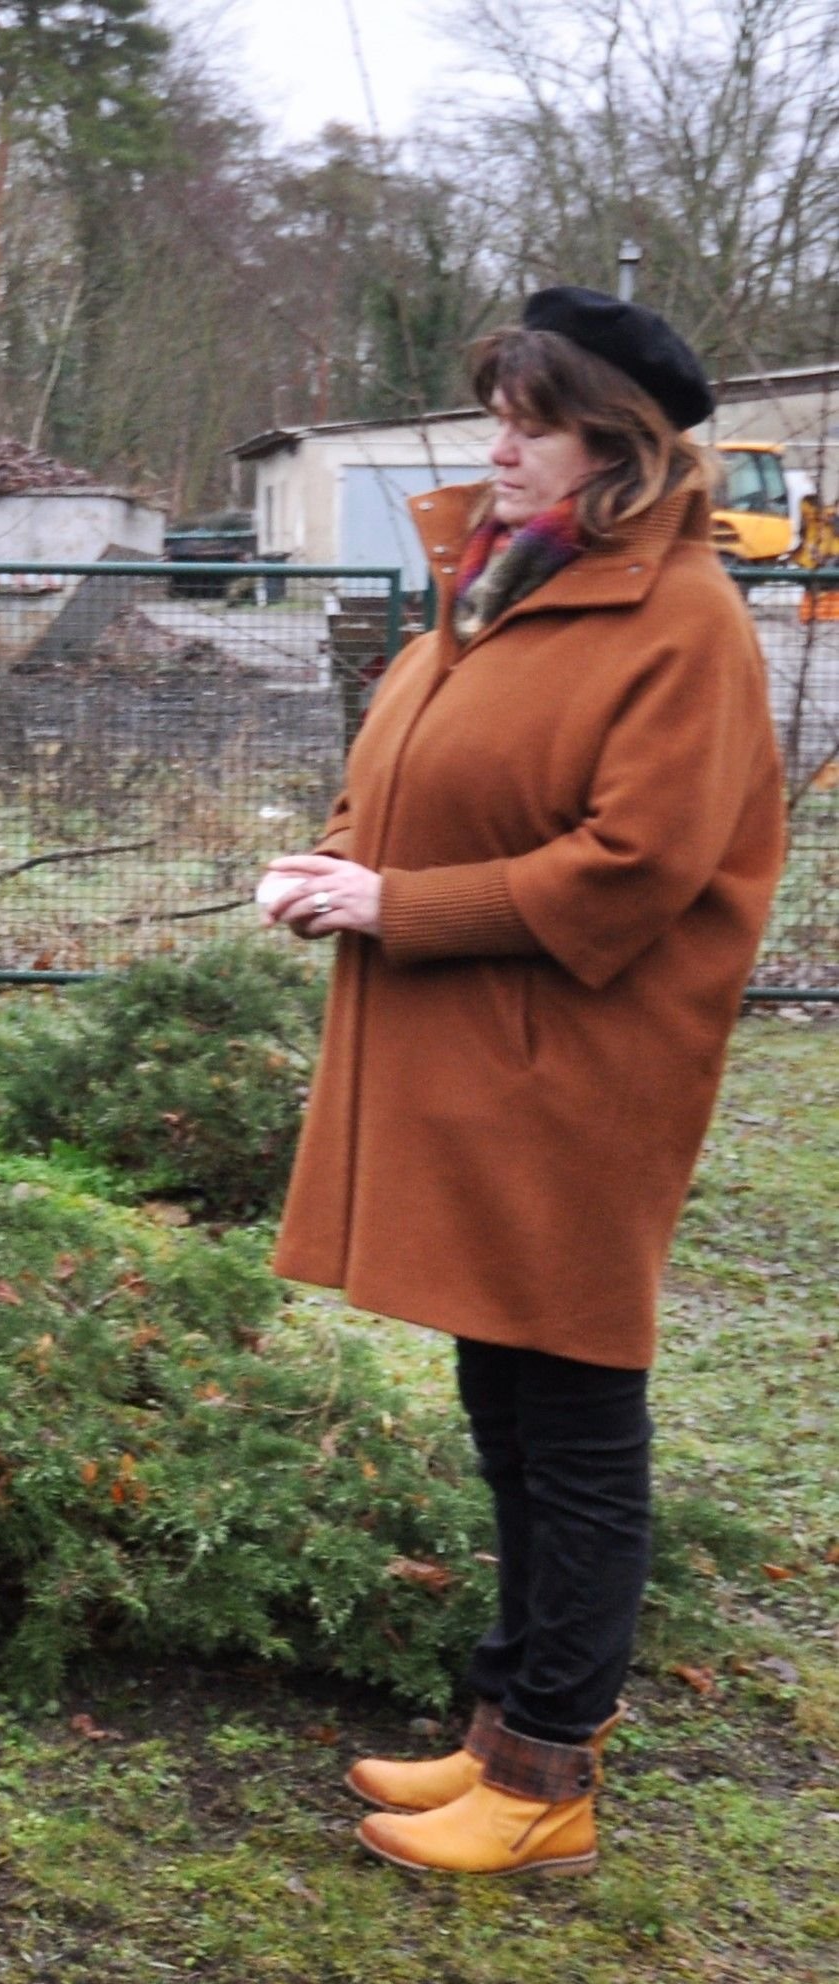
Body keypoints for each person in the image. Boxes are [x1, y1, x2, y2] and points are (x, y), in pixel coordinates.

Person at [261, 286, 786, 1878]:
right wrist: (345, 850)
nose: (493, 443)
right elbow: (431, 765)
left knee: (569, 1413)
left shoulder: (678, 618)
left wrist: (395, 905)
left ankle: (549, 1770)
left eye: (526, 420)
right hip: (490, 1054)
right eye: (493, 409)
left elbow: (631, 865)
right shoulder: (504, 583)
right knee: (505, 1395)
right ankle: (502, 1729)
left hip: (580, 1069)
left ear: (611, 446)